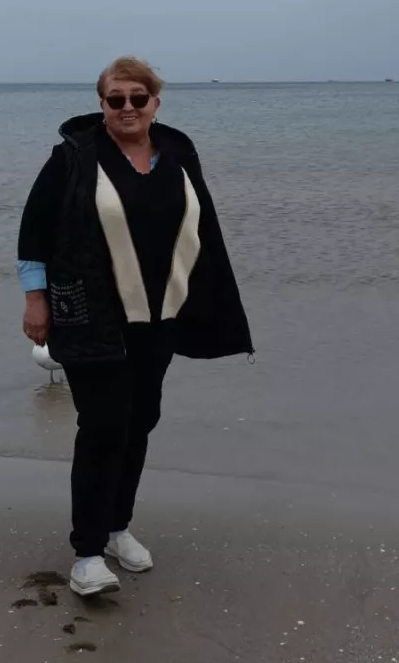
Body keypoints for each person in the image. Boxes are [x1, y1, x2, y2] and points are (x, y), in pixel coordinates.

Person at [17, 56, 253, 596]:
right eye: (116, 98)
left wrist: (213, 303)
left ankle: (117, 527)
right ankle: (86, 554)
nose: (127, 107)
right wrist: (35, 299)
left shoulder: (179, 154)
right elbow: (34, 230)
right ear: (101, 104)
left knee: (141, 420)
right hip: (90, 317)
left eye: (137, 98)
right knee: (103, 425)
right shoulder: (73, 157)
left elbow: (202, 231)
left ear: (155, 103)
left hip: (159, 317)